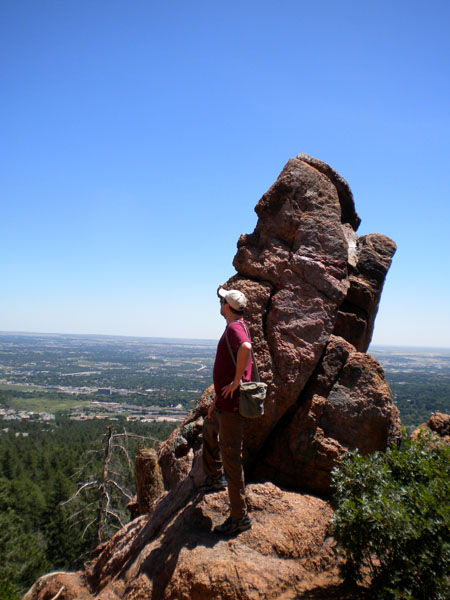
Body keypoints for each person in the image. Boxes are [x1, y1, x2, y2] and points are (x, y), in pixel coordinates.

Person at [200, 287, 253, 535]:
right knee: (209, 428)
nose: (219, 303)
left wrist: (236, 382)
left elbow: (245, 347)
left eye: (222, 301)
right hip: (224, 403)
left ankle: (239, 517)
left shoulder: (234, 329)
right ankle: (214, 476)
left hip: (232, 406)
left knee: (232, 458)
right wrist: (216, 399)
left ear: (228, 307)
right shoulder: (237, 325)